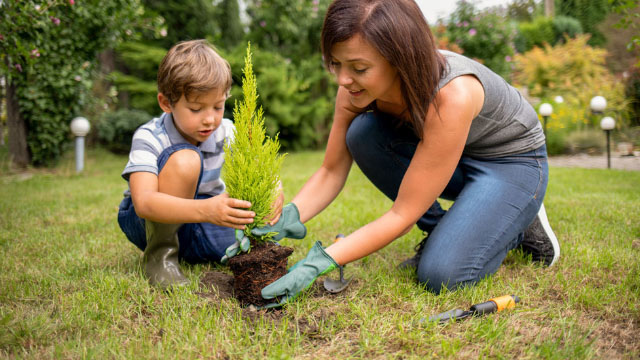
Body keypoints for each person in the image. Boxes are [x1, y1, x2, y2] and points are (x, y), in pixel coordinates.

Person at [257, 0, 560, 306]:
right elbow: (331, 171)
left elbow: (402, 215)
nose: (342, 79)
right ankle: (449, 228)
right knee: (361, 134)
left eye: (359, 68)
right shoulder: (353, 90)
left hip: (510, 164)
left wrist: (319, 262)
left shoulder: (450, 95)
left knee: (443, 275)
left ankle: (519, 216)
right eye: (336, 64)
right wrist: (286, 218)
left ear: (399, 59)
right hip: (447, 156)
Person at [117, 39, 284, 289]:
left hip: (203, 220)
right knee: (186, 159)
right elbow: (144, 203)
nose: (210, 119)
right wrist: (207, 209)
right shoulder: (149, 136)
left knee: (251, 240)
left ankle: (195, 251)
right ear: (166, 103)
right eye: (196, 109)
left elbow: (259, 167)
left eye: (218, 106)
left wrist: (274, 189)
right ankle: (160, 257)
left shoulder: (227, 131)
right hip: (151, 221)